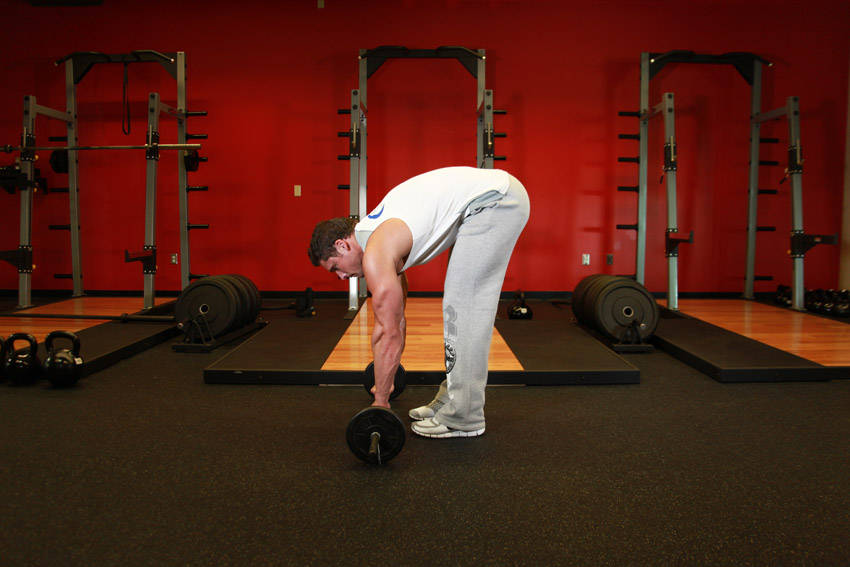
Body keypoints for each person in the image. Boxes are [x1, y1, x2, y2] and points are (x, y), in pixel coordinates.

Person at [308, 166, 530, 438]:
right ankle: (453, 399)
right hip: (488, 200)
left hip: (495, 201)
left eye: (335, 267)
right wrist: (384, 381)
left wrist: (381, 403)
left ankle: (464, 416)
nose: (342, 276)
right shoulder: (378, 236)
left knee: (464, 307)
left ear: (342, 245)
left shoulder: (376, 250)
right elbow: (396, 321)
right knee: (457, 305)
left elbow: (387, 332)